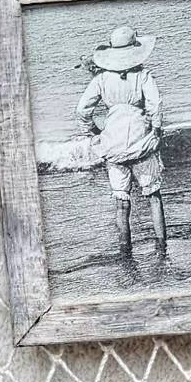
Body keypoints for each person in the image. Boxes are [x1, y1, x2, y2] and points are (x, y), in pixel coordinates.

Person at [76, 25, 167, 254]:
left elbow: (82, 110)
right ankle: (161, 245)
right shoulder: (143, 75)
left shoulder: (102, 79)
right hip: (141, 142)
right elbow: (155, 105)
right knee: (153, 196)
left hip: (113, 143)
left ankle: (125, 250)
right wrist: (156, 129)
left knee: (122, 201)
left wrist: (94, 131)